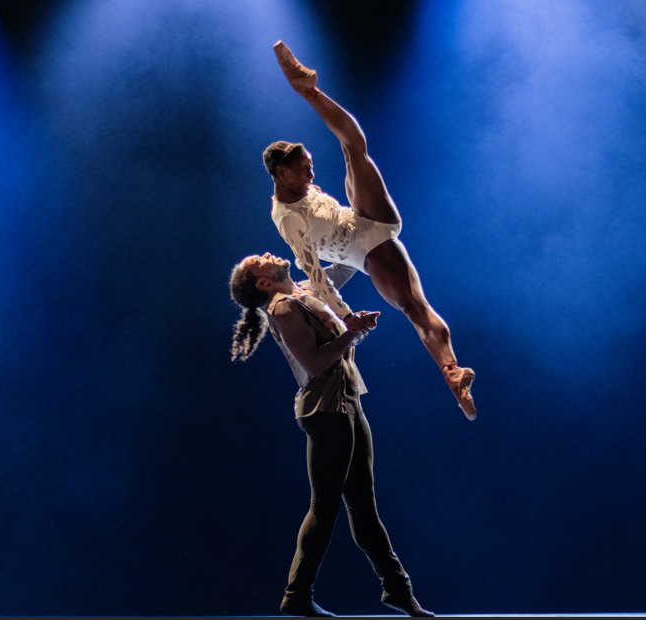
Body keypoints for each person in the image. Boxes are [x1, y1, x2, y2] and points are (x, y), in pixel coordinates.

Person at [263, 40, 477, 420]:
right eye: (304, 168)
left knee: (354, 149)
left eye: (311, 165)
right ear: (281, 173)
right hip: (362, 250)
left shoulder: (298, 187)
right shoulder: (287, 220)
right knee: (414, 305)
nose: (312, 173)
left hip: (361, 216)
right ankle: (452, 372)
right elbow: (314, 273)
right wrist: (345, 316)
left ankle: (309, 90)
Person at [230, 252, 434, 618]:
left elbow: (346, 265)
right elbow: (313, 362)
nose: (267, 254)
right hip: (324, 411)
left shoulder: (307, 287)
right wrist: (351, 333)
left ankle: (398, 590)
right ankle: (296, 596)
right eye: (259, 261)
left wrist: (335, 234)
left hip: (347, 402)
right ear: (263, 283)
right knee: (324, 508)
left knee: (363, 508)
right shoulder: (282, 308)